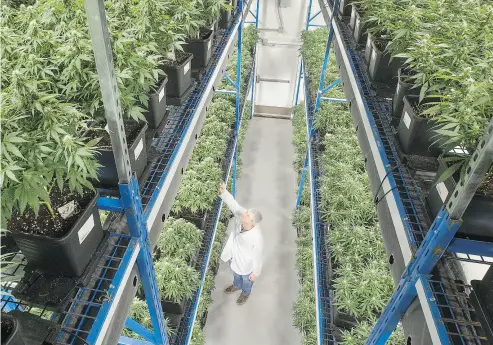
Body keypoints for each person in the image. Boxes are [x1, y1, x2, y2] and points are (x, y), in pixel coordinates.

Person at [218, 182, 264, 305]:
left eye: (247, 215)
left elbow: (258, 257)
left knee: (247, 280)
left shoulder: (256, 237)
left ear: (252, 221)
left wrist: (255, 273)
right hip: (234, 258)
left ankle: (245, 293)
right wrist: (224, 192)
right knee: (236, 275)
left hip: (247, 265)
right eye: (246, 212)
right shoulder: (242, 218)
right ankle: (236, 286)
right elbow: (235, 206)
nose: (244, 214)